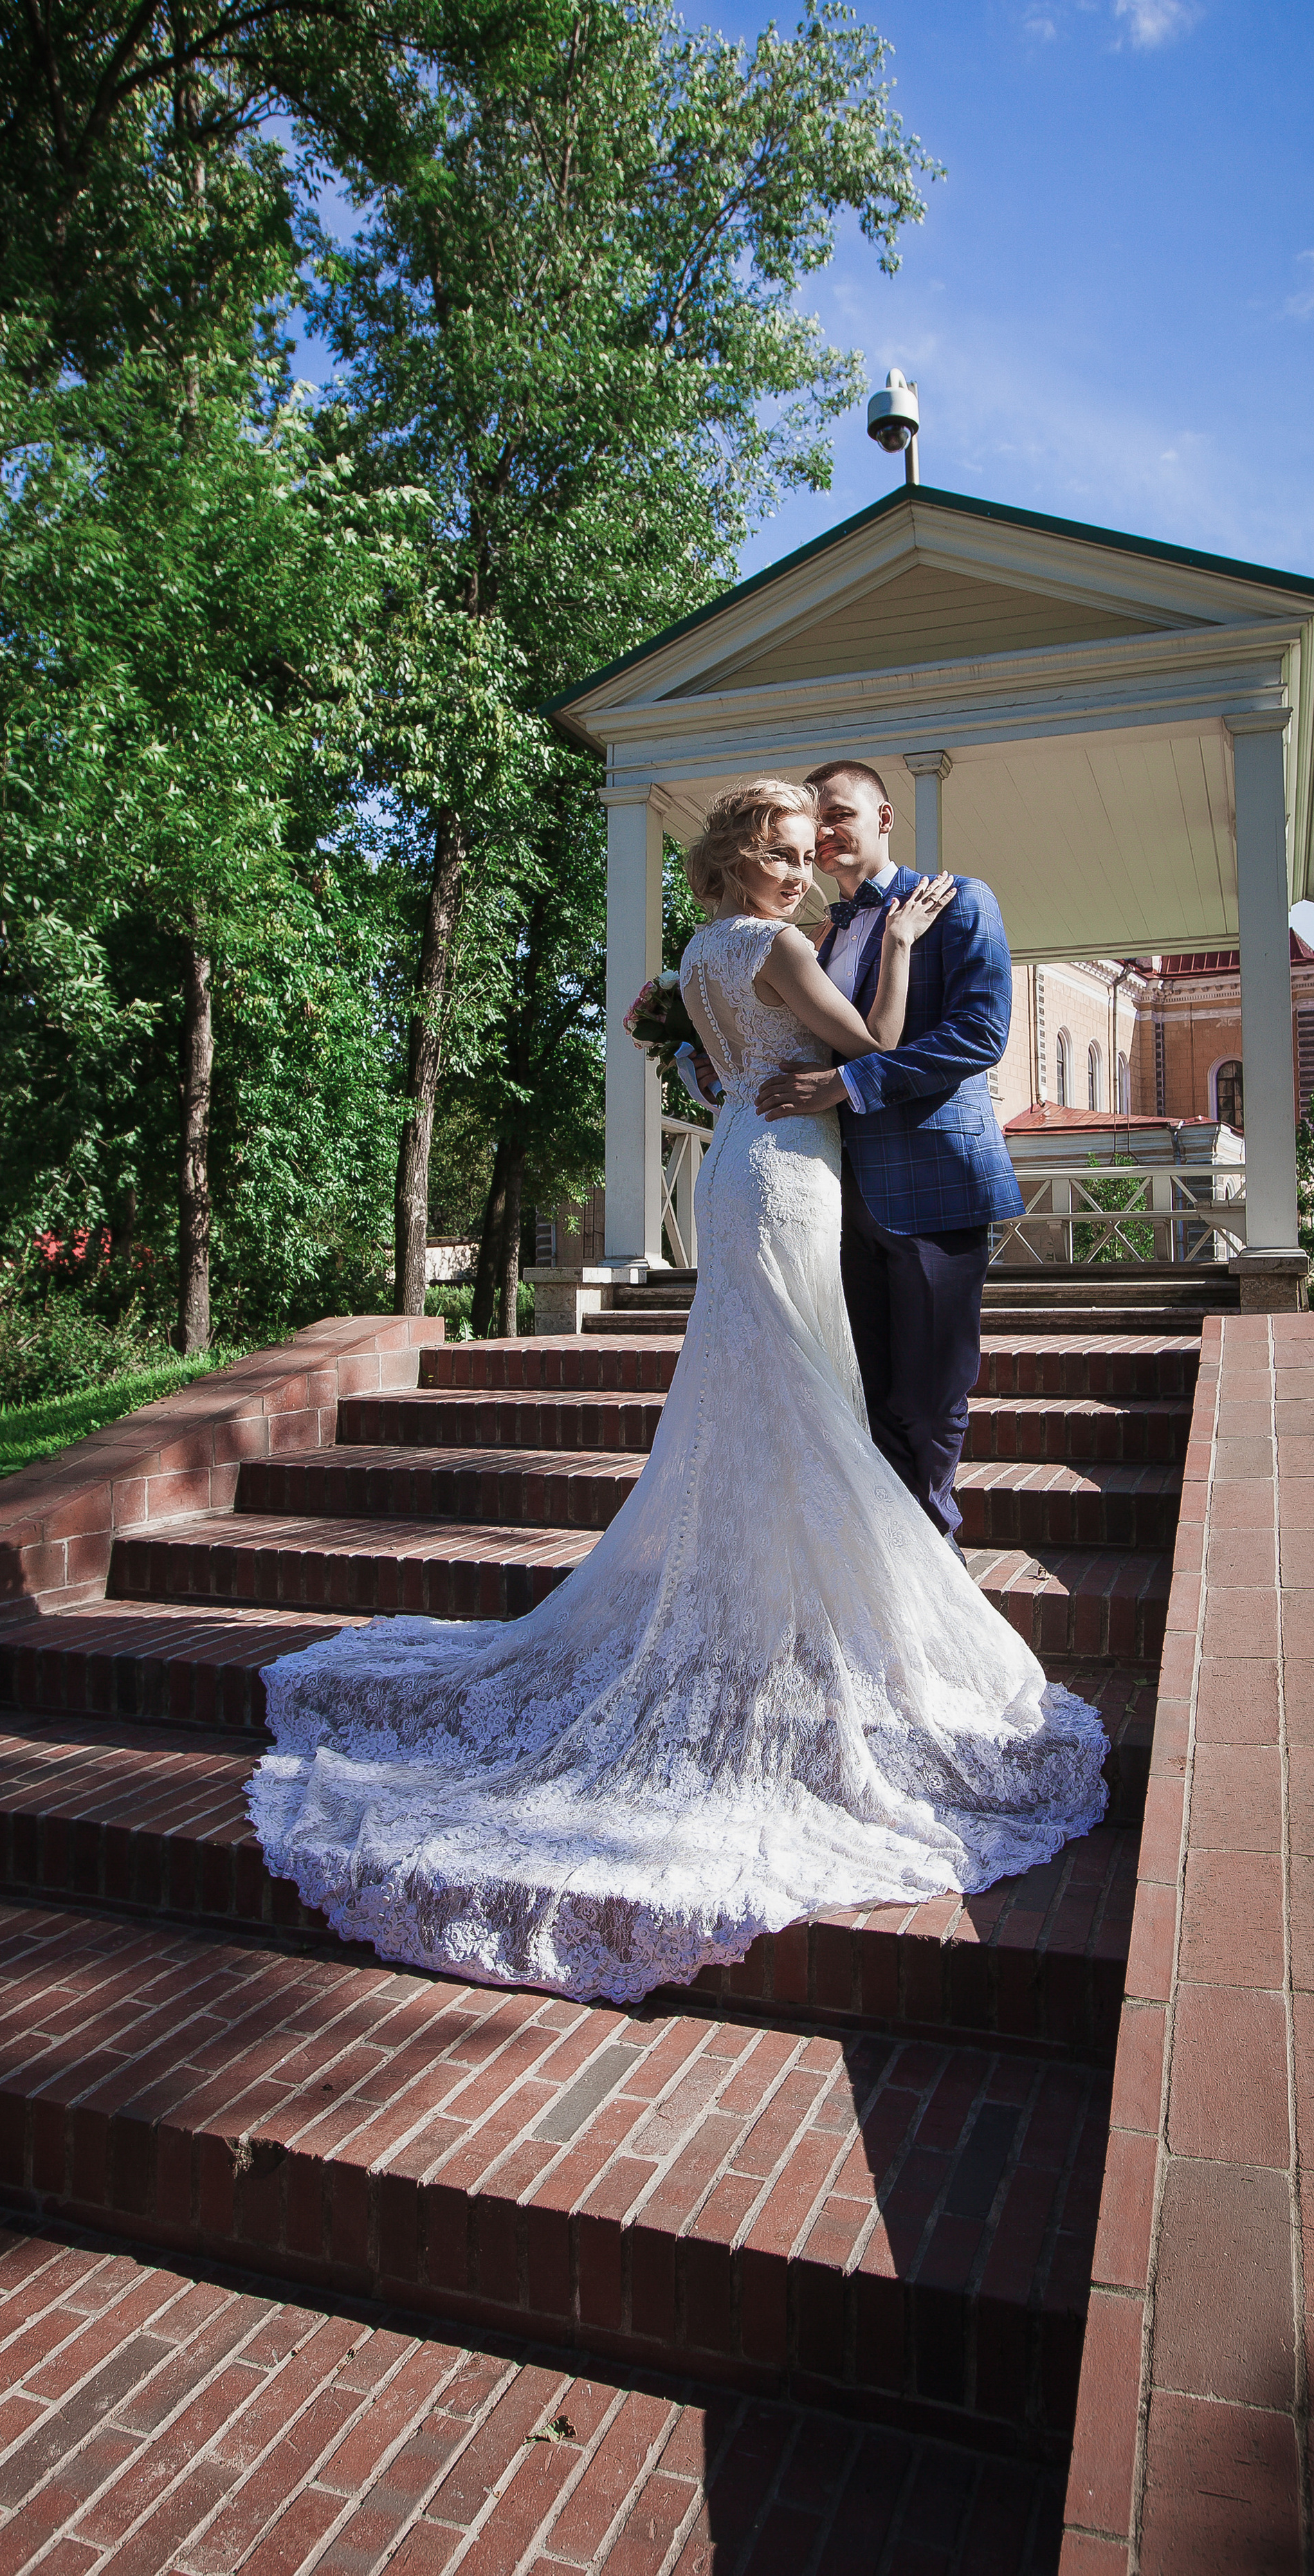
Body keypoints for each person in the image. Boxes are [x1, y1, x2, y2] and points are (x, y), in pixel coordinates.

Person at [249, 778, 1106, 2007]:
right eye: (797, 847)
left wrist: (819, 1032)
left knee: (776, 1398)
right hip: (795, 1182)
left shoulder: (707, 952)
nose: (814, 863)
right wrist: (889, 970)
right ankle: (835, 1623)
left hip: (759, 1172)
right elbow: (869, 1047)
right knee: (807, 1402)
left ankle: (796, 1609)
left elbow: (722, 1081)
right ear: (758, 859)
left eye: (829, 841)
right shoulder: (778, 945)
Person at [756, 759, 1024, 1551]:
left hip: (936, 1185)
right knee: (867, 1394)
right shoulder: (819, 938)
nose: (826, 830)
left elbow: (978, 1034)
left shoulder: (960, 901)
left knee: (931, 1394)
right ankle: (893, 1567)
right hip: (838, 1198)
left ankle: (934, 1555)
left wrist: (847, 1084)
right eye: (815, 821)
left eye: (840, 813)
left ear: (883, 819)